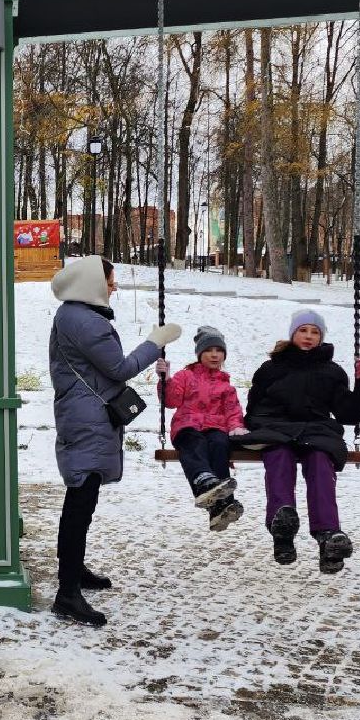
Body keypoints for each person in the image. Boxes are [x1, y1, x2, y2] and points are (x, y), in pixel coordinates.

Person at [49, 256, 181, 627]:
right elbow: (120, 368)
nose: (114, 286)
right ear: (93, 282)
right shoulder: (84, 321)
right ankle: (67, 593)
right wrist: (155, 343)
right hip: (88, 417)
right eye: (110, 279)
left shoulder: (75, 316)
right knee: (80, 501)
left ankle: (74, 574)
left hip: (85, 413)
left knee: (82, 500)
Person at [243, 309, 360, 573]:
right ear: (293, 334)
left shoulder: (331, 372)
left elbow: (348, 414)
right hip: (276, 429)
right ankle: (282, 526)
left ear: (321, 337)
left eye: (315, 332)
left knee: (320, 461)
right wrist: (257, 427)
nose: (308, 336)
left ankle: (328, 535)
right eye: (303, 330)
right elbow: (254, 408)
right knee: (279, 457)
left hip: (316, 431)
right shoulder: (271, 369)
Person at [158, 325, 248, 532]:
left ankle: (221, 508)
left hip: (215, 427)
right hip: (187, 425)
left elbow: (233, 411)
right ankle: (204, 481)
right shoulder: (185, 376)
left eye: (219, 350)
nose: (214, 355)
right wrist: (166, 379)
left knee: (219, 443)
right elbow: (171, 400)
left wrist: (235, 427)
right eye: (208, 350)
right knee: (194, 442)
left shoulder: (226, 386)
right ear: (199, 354)